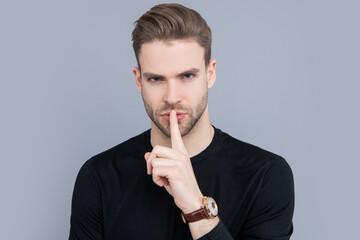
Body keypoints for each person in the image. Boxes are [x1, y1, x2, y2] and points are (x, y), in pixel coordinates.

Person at [69, 3, 294, 240]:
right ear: (138, 81)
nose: (172, 97)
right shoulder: (99, 177)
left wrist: (196, 206)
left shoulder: (266, 176)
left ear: (210, 74)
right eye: (156, 79)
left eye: (187, 76)